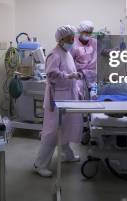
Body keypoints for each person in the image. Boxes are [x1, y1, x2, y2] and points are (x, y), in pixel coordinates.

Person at [34, 25, 83, 178]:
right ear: (61, 39)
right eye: (70, 39)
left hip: (68, 96)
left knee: (66, 127)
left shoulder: (66, 53)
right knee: (52, 132)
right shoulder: (54, 54)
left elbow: (70, 71)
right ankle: (40, 164)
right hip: (57, 98)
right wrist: (69, 76)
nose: (72, 41)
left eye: (73, 38)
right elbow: (51, 74)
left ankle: (67, 155)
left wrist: (77, 89)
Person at [71, 20, 97, 98]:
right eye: (85, 32)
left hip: (92, 75)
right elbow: (69, 59)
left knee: (94, 97)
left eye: (90, 32)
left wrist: (113, 51)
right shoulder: (73, 43)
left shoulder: (94, 42)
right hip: (79, 76)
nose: (88, 34)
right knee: (79, 96)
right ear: (80, 31)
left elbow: (103, 51)